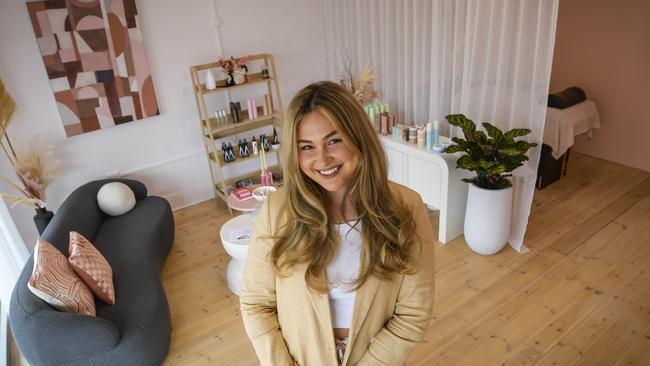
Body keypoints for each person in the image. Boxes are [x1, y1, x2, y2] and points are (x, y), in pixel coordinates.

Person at [240, 81, 435, 366]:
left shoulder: (407, 207)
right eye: (307, 147)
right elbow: (256, 304)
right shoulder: (276, 211)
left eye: (334, 141)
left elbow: (413, 313)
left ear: (359, 138)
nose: (322, 159)